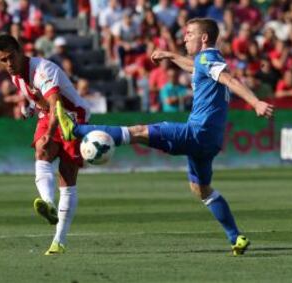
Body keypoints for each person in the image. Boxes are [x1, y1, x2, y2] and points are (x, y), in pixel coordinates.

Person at [56, 18, 274, 256]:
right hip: (210, 141)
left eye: (189, 34)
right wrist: (170, 55)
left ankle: (75, 129)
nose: (184, 37)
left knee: (138, 132)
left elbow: (230, 80)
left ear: (203, 38)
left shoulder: (207, 58)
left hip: (195, 132)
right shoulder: (207, 60)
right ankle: (236, 237)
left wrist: (255, 102)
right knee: (201, 189)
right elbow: (192, 66)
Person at [0, 34, 90, 255]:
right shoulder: (17, 76)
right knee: (42, 151)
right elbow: (38, 99)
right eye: (3, 60)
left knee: (67, 178)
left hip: (73, 115)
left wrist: (50, 132)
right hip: (49, 114)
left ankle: (59, 241)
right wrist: (28, 108)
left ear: (20, 52)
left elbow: (57, 105)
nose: (8, 64)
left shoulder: (42, 70)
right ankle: (48, 204)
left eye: (10, 58)